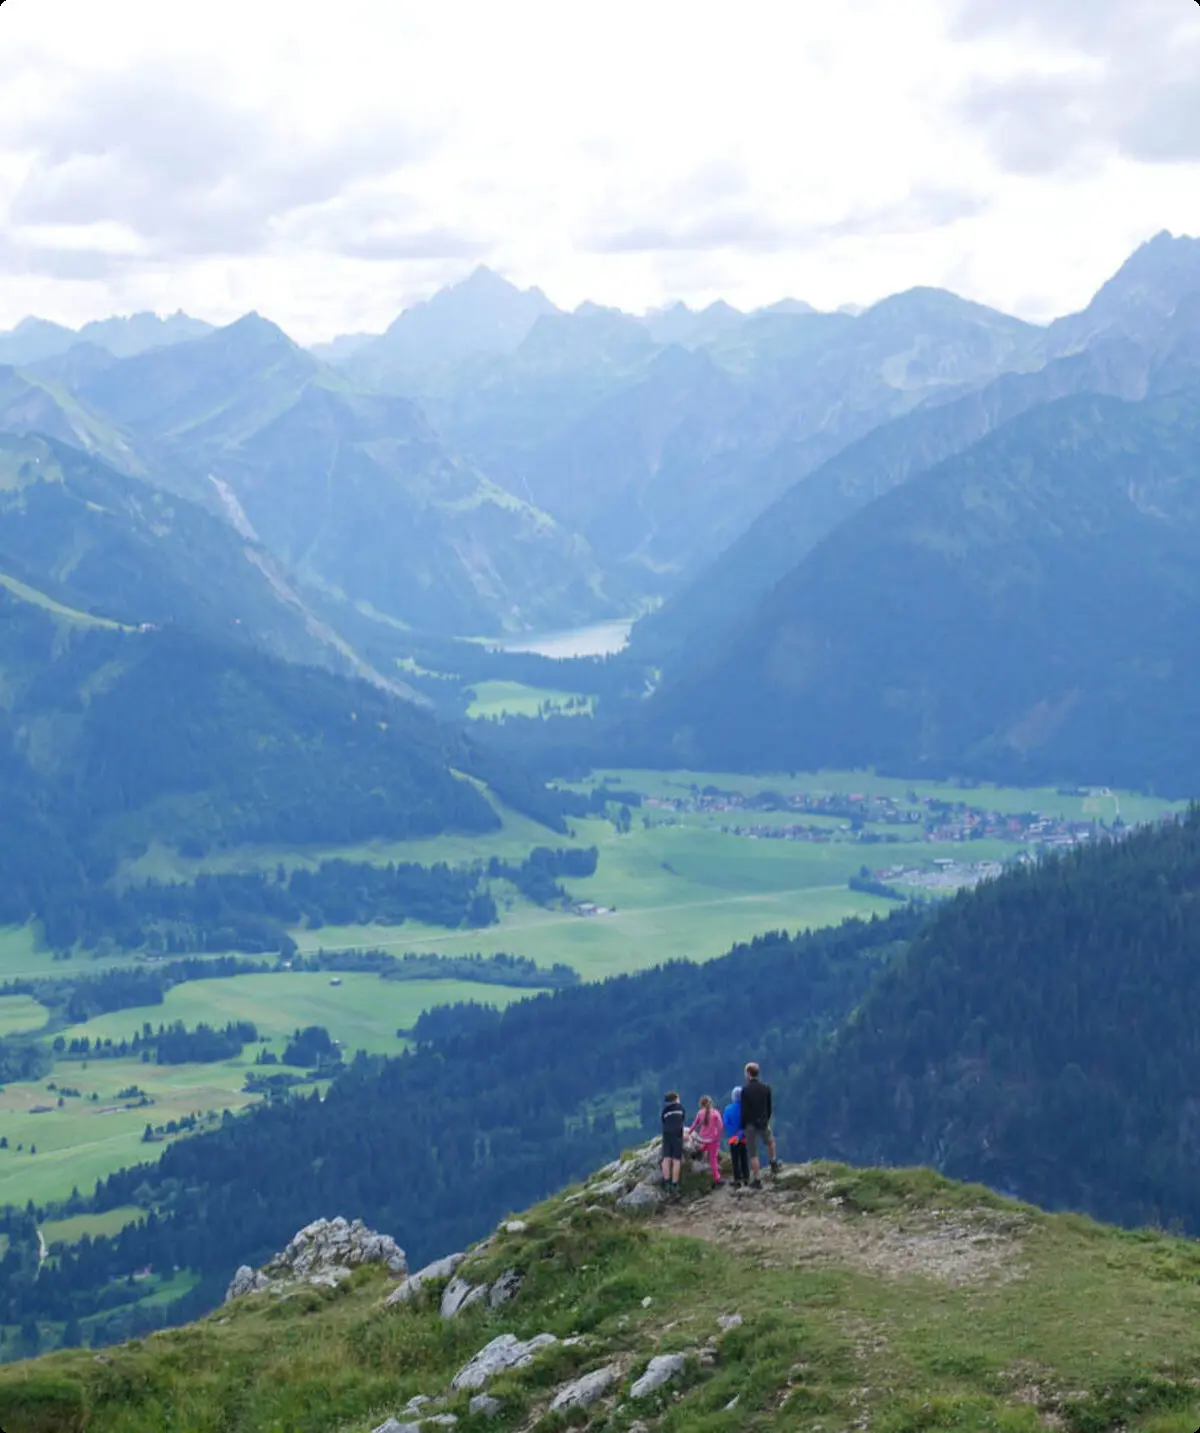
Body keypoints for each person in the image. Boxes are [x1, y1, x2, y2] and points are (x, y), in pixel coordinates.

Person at [740, 1061, 779, 1189]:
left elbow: (744, 1111)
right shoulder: (766, 1088)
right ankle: (773, 1162)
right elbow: (769, 1107)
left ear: (748, 1074)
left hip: (750, 1124)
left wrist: (743, 1125)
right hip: (763, 1122)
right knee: (770, 1142)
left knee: (753, 1152)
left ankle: (757, 1179)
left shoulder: (745, 1091)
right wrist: (766, 1119)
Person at [688, 1094, 724, 1186]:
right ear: (711, 1103)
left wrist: (688, 1133)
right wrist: (717, 1137)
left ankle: (695, 1156)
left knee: (699, 1149)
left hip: (701, 1139)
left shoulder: (700, 1113)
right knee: (713, 1159)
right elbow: (720, 1127)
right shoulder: (715, 1113)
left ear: (701, 1104)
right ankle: (717, 1179)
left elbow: (694, 1125)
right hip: (712, 1140)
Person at [723, 1085, 750, 1188]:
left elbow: (726, 1123)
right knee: (744, 1158)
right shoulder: (745, 1109)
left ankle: (737, 1180)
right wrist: (740, 1135)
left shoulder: (728, 1109)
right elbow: (746, 1124)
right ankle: (746, 1178)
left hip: (732, 1138)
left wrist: (734, 1135)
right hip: (743, 1138)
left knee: (735, 1160)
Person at [660, 1090, 686, 1197]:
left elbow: (663, 1121)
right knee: (676, 1160)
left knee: (666, 1158)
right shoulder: (680, 1108)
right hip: (677, 1134)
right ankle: (675, 1185)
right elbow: (682, 1120)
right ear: (675, 1099)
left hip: (667, 1134)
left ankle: (667, 1182)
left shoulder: (665, 1110)